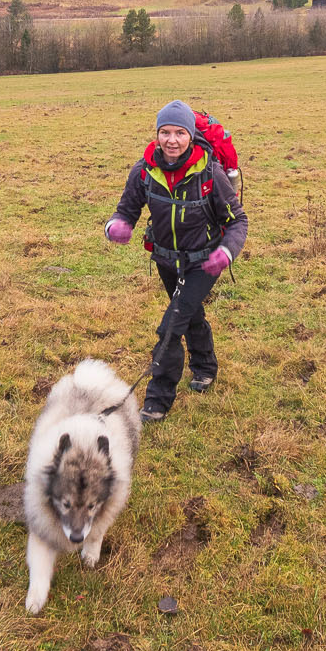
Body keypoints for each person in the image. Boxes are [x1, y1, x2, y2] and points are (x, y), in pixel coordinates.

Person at [104, 100, 248, 422]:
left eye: (180, 132)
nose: (171, 140)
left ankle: (157, 400)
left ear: (191, 135)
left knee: (170, 326)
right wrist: (117, 225)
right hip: (166, 260)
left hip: (204, 261)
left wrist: (225, 252)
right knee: (189, 313)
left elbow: (238, 220)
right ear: (157, 134)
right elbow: (126, 208)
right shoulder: (144, 171)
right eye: (165, 132)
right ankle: (206, 367)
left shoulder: (209, 172)